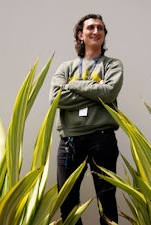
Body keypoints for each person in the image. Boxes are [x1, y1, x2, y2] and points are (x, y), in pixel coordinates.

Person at [49, 13, 124, 225]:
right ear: (81, 35)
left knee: (107, 198)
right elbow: (56, 98)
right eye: (91, 27)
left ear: (104, 35)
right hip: (70, 141)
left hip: (102, 139)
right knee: (67, 200)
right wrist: (95, 91)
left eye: (100, 28)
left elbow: (108, 93)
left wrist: (72, 85)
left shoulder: (113, 65)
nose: (96, 31)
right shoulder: (66, 67)